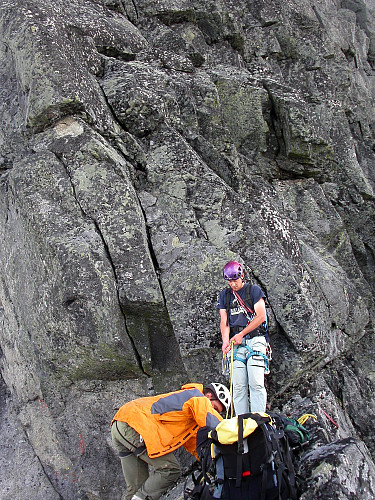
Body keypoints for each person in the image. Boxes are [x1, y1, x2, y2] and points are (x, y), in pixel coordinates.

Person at [111, 382, 231, 500]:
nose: (214, 412)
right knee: (170, 469)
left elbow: (195, 445)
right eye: (215, 408)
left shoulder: (189, 411)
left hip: (121, 424)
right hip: (134, 425)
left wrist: (213, 462)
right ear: (209, 396)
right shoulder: (197, 397)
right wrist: (231, 440)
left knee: (136, 487)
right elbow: (214, 425)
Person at [217, 261, 269, 415]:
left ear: (242, 276)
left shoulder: (254, 291)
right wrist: (225, 341)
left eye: (235, 280)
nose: (233, 284)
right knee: (238, 387)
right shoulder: (225, 296)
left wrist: (241, 334)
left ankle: (259, 422)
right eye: (230, 281)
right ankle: (242, 425)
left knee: (256, 383)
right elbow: (224, 321)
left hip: (255, 340)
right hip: (235, 344)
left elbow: (260, 317)